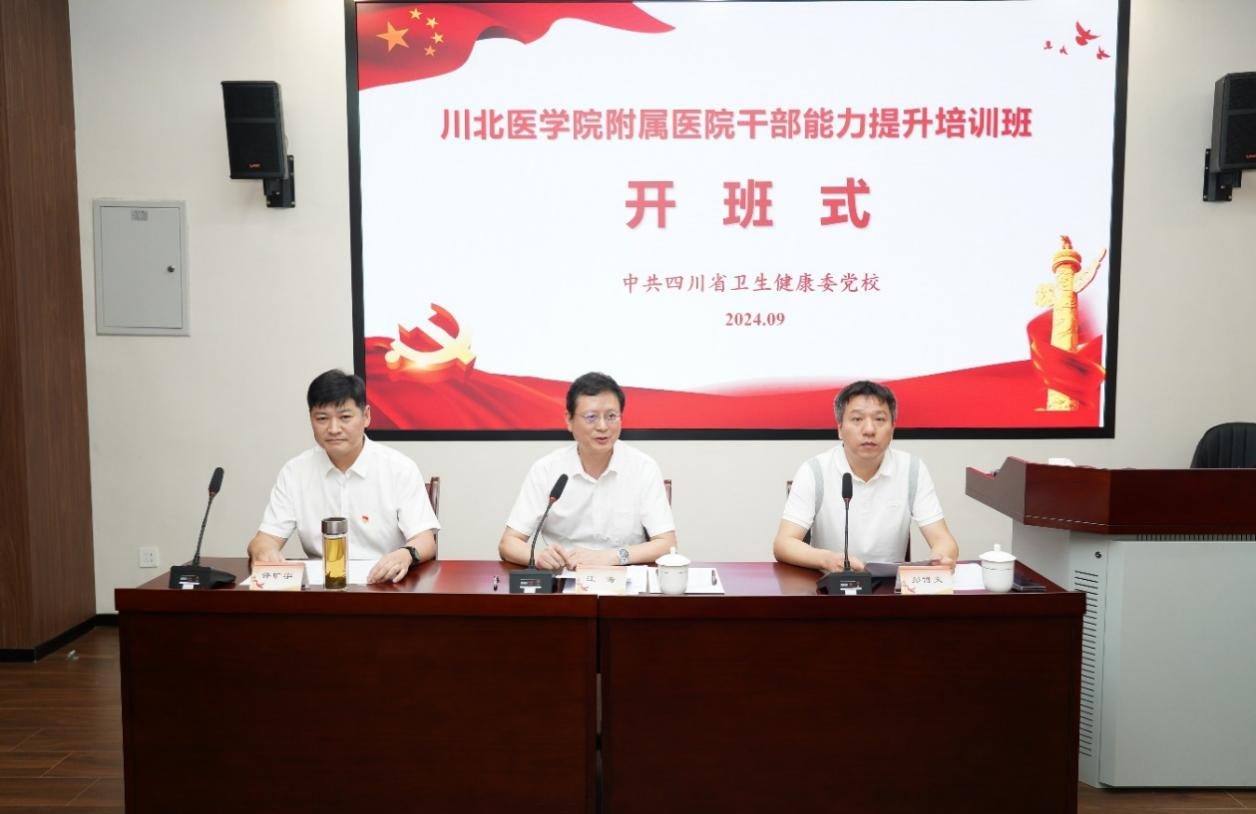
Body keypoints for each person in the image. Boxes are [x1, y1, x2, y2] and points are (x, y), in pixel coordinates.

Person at [247, 369, 439, 583]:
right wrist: (264, 551)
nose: (333, 429)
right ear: (311, 419)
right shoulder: (295, 472)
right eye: (322, 418)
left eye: (345, 417)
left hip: (385, 586)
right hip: (322, 590)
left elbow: (425, 540)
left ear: (366, 416)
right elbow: (264, 539)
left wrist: (405, 554)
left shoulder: (399, 468)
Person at [773, 380, 959, 573]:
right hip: (831, 583)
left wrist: (942, 557)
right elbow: (784, 543)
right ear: (840, 428)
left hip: (888, 586)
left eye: (879, 419)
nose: (869, 430)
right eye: (857, 419)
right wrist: (827, 559)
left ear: (893, 428)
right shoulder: (814, 471)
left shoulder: (912, 469)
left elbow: (942, 539)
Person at [499, 372, 676, 570]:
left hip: (625, 577)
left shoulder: (643, 467)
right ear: (569, 420)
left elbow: (666, 544)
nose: (603, 426)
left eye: (611, 416)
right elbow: (509, 543)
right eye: (591, 417)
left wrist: (610, 556)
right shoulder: (547, 470)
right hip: (566, 576)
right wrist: (539, 557)